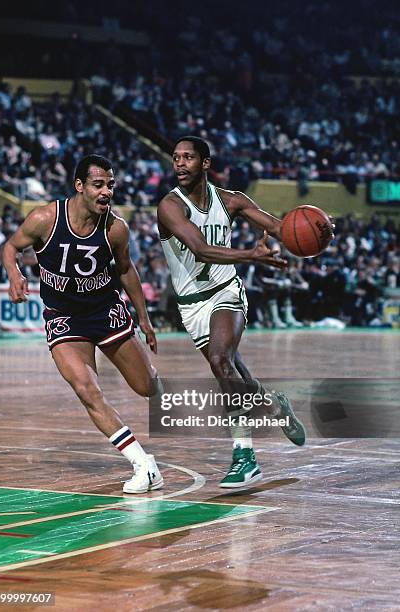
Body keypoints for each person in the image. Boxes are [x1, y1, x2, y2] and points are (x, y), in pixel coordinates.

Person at [3, 154, 163, 494]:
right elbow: (10, 246)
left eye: (111, 185)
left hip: (105, 311)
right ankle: (143, 463)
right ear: (79, 186)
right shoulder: (45, 218)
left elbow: (125, 269)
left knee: (147, 387)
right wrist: (14, 274)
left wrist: (145, 319)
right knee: (87, 390)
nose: (107, 192)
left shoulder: (116, 228)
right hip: (64, 317)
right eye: (98, 185)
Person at [158, 136, 306, 488]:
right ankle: (272, 404)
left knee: (221, 360)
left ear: (205, 163)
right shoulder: (169, 206)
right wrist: (251, 255)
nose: (179, 164)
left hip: (226, 290)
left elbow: (281, 229)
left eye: (188, 158)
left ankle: (245, 457)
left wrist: (315, 229)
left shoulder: (232, 200)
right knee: (236, 373)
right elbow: (201, 250)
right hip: (192, 303)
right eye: (175, 158)